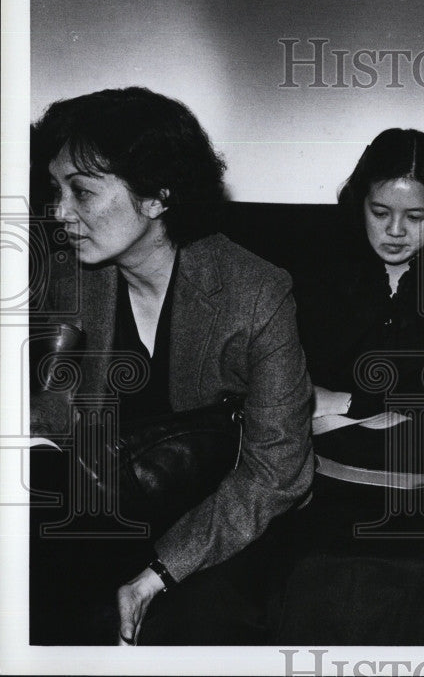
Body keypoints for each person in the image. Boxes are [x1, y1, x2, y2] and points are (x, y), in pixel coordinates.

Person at [29, 87, 314, 645]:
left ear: (157, 198)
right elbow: (52, 426)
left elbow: (277, 473)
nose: (58, 211)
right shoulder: (67, 281)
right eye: (56, 190)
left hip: (222, 527)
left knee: (200, 625)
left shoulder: (255, 294)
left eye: (81, 192)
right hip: (102, 518)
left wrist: (156, 576)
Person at [276, 128, 424, 645]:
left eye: (415, 217)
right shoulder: (320, 278)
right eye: (380, 212)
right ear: (359, 206)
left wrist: (346, 402)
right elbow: (287, 394)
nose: (395, 230)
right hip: (324, 502)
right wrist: (388, 408)